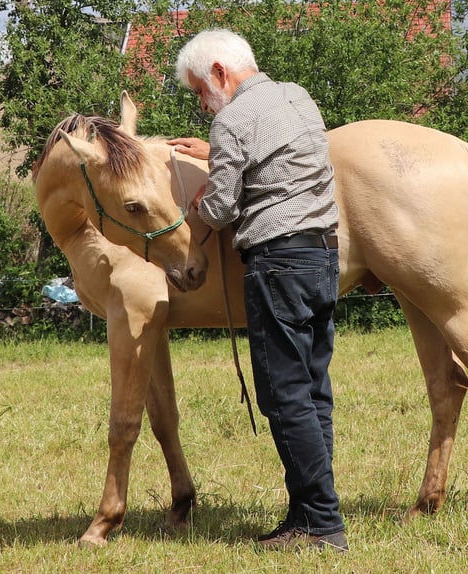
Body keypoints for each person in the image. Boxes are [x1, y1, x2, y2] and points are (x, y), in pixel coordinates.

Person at [166, 28, 347, 552]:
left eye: (201, 90)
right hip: (322, 256)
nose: (203, 105)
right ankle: (307, 511)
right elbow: (278, 154)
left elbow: (221, 209)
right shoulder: (297, 96)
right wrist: (220, 150)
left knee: (284, 394)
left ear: (220, 72)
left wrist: (196, 202)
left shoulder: (231, 120)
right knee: (313, 391)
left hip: (277, 266)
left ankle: (321, 524)